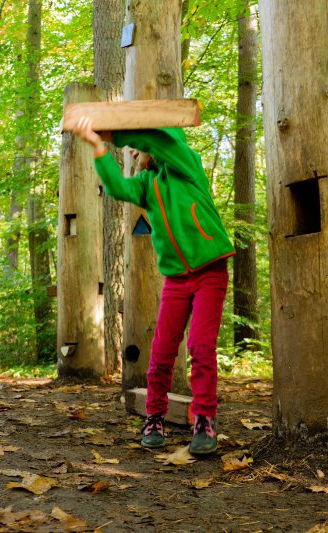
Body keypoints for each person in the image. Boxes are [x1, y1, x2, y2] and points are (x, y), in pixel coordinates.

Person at [73, 117, 235, 455]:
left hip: (210, 271)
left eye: (138, 148)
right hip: (176, 278)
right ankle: (154, 417)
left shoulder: (186, 165)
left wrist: (115, 131)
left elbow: (159, 141)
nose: (133, 152)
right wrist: (100, 146)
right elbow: (118, 188)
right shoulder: (147, 184)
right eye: (130, 149)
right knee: (161, 353)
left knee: (201, 347)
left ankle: (204, 419)